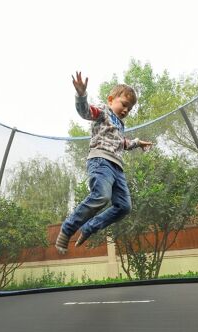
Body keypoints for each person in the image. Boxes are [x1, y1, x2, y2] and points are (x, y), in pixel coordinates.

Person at [56, 72, 153, 254]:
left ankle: (89, 228)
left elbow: (122, 143)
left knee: (124, 207)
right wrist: (81, 95)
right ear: (110, 100)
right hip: (101, 161)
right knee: (101, 196)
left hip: (117, 168)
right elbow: (85, 112)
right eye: (124, 104)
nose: (126, 110)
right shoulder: (103, 111)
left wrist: (138, 143)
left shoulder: (120, 125)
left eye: (129, 109)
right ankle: (67, 229)